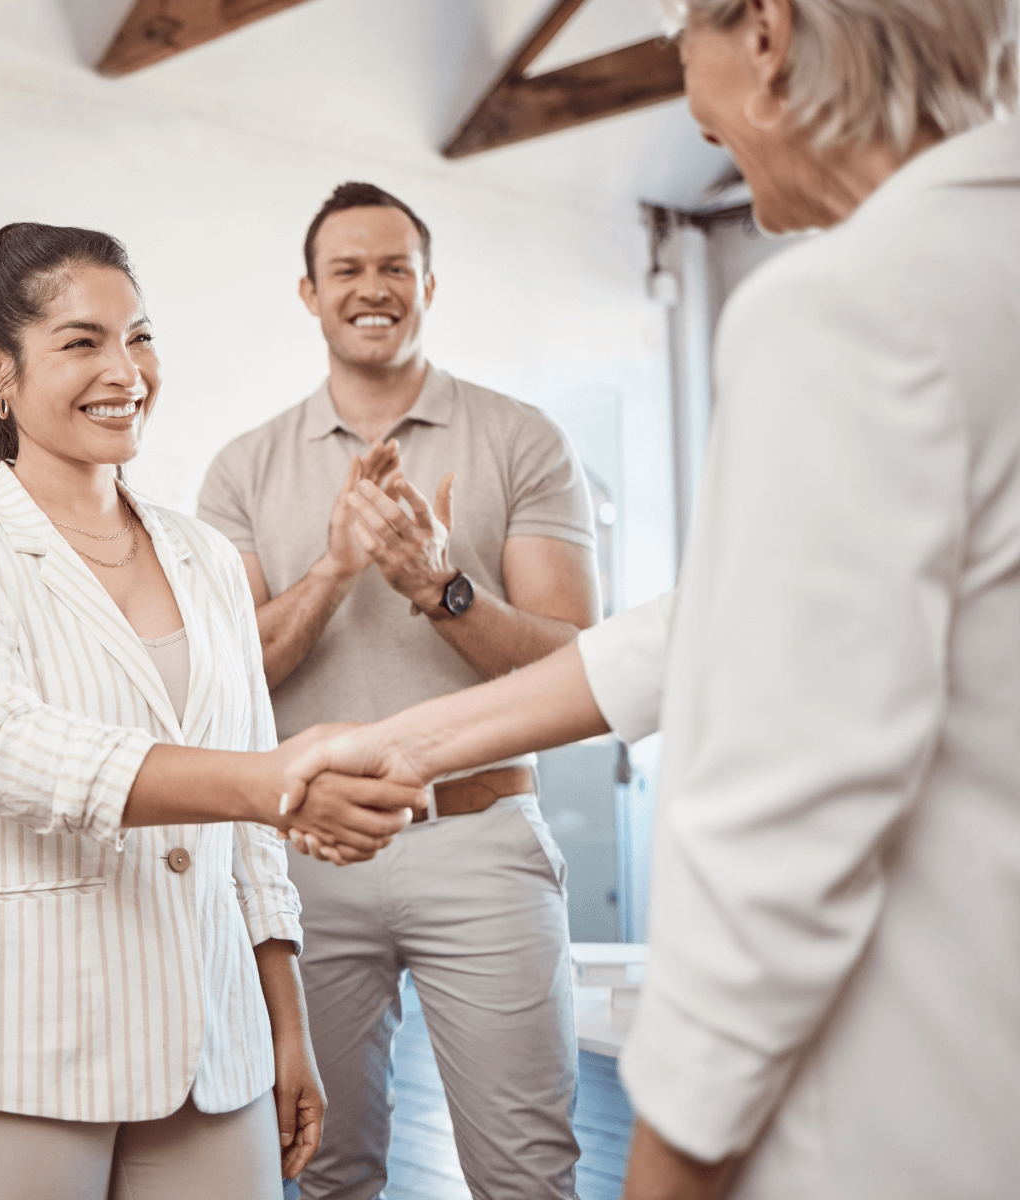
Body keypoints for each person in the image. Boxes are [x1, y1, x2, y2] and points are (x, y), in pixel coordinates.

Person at [284, 1, 1020, 1196]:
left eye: (684, 42)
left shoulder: (847, 306)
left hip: (928, 1083)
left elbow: (785, 811)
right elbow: (702, 628)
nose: (694, 101)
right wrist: (398, 745)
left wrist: (674, 1155)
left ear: (768, 35)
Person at [0, 222, 414, 1200]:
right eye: (82, 342)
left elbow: (251, 839)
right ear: (0, 367)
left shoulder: (201, 555)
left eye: (141, 337)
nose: (126, 370)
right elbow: (5, 750)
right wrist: (270, 784)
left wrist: (285, 1024)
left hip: (214, 1048)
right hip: (10, 1048)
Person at [196, 182, 601, 1199]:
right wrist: (335, 569)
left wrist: (440, 586)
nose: (372, 289)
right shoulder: (243, 468)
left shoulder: (524, 439)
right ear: (309, 291)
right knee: (325, 1170)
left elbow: (580, 662)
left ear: (428, 284)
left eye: (393, 267)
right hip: (308, 861)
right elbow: (225, 675)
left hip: (484, 843)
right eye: (348, 269)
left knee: (528, 1174)